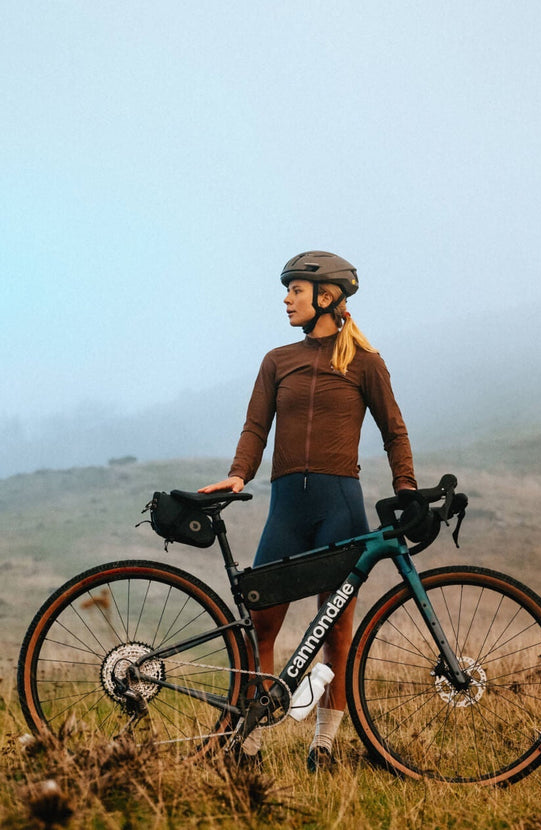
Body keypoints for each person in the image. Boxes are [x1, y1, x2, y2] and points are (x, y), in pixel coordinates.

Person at [200, 250, 417, 771]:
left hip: (339, 505)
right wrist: (239, 472)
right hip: (286, 508)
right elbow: (256, 427)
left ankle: (324, 744)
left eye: (295, 290)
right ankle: (248, 745)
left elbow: (394, 431)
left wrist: (405, 487)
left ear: (326, 297)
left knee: (337, 627)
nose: (286, 299)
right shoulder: (278, 360)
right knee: (262, 622)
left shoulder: (365, 362)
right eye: (288, 290)